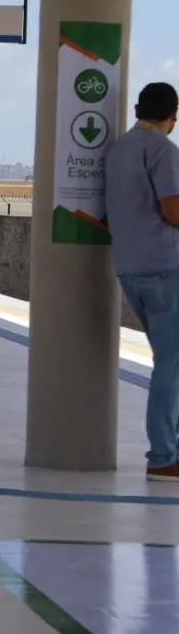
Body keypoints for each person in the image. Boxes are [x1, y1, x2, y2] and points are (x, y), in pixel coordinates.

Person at [105, 81, 179, 481]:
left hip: (130, 266)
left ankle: (169, 450)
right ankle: (165, 456)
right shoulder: (163, 151)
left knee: (169, 360)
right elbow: (172, 209)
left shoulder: (118, 150)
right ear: (173, 115)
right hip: (166, 266)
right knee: (173, 364)